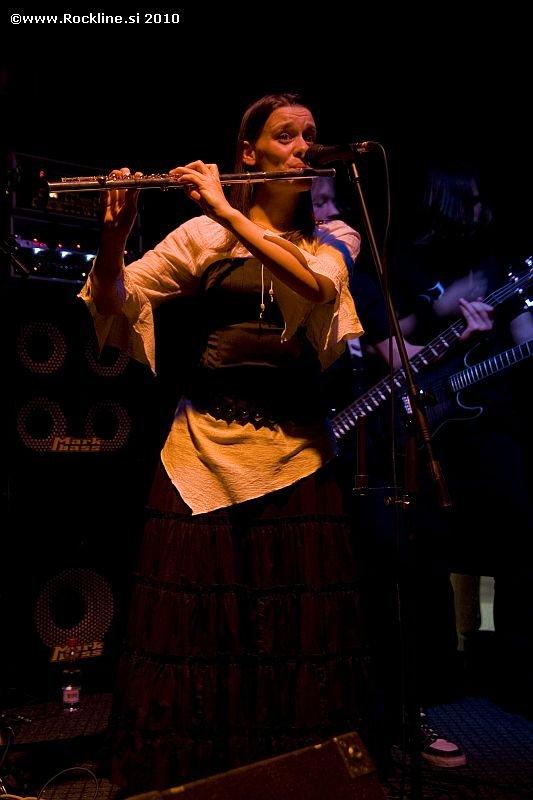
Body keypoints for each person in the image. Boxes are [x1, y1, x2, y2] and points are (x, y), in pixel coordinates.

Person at [79, 93, 377, 791]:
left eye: (310, 135)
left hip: (298, 456)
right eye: (286, 136)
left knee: (291, 631)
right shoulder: (201, 237)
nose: (304, 147)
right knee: (199, 628)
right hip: (202, 451)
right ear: (249, 153)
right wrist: (115, 238)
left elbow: (317, 288)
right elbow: (116, 300)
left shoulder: (333, 235)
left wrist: (224, 209)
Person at [388, 163, 533, 720]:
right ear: (445, 200)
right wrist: (443, 323)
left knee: (516, 542)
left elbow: (522, 337)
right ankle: (438, 675)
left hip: (493, 422)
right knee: (431, 547)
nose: (480, 209)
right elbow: (392, 342)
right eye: (468, 200)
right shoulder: (410, 261)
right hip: (431, 424)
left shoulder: (498, 266)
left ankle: (513, 674)